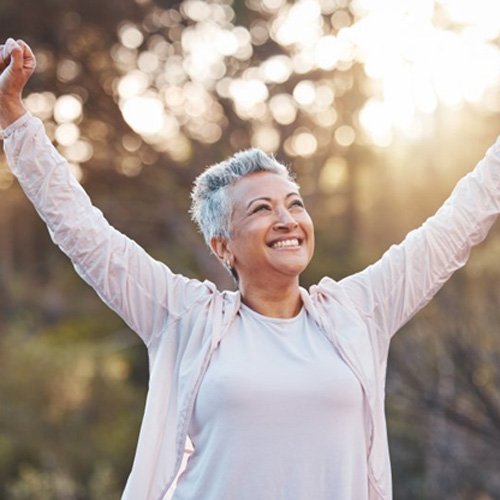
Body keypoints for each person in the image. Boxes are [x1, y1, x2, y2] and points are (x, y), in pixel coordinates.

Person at [1, 37, 500, 500]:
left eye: (294, 204)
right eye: (261, 209)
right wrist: (15, 119)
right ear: (223, 247)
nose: (287, 219)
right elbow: (83, 232)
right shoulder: (184, 318)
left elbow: (456, 225)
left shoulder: (360, 312)